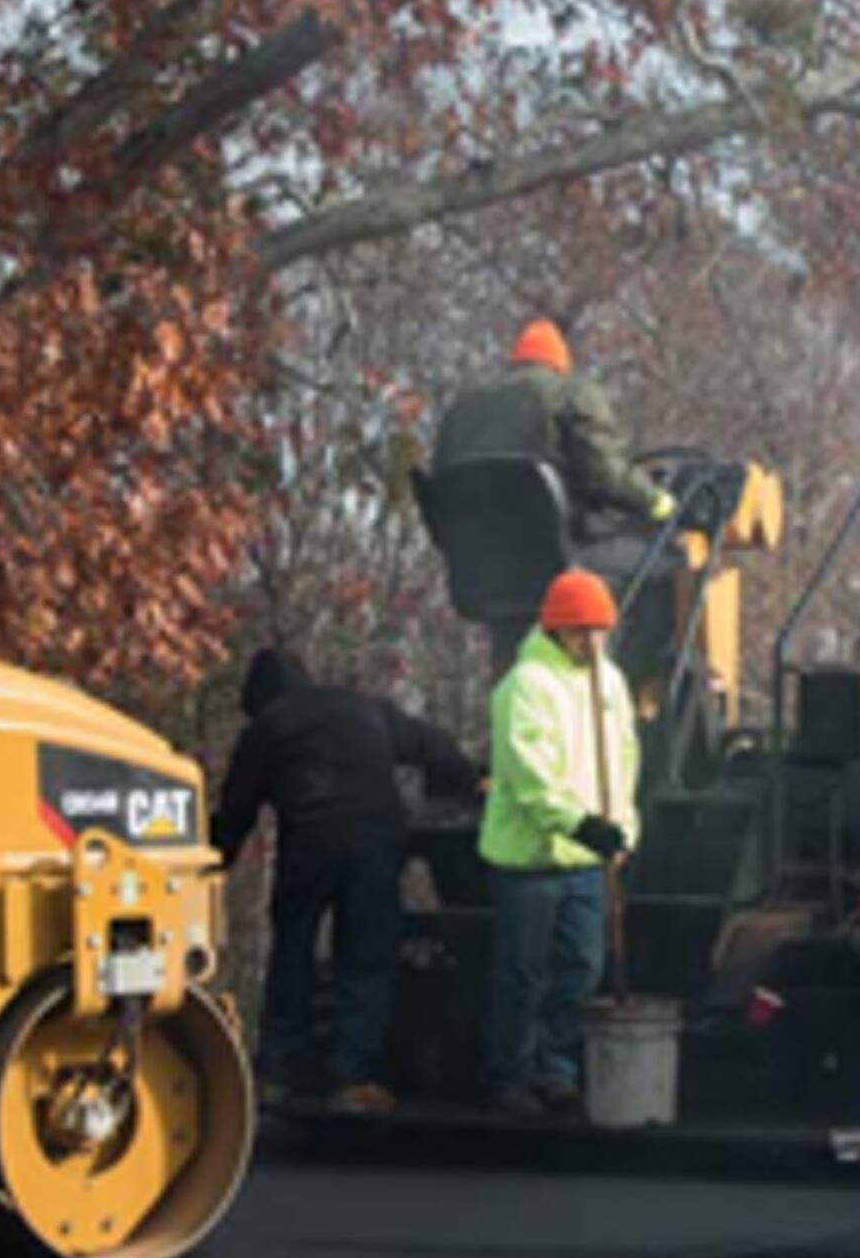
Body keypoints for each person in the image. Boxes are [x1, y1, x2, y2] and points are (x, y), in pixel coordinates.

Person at [212, 644, 478, 1114]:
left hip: (308, 846)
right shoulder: (364, 708)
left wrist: (213, 863)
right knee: (366, 958)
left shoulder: (266, 728)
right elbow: (430, 745)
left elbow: (236, 812)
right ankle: (352, 1078)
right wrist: (469, 780)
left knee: (292, 950)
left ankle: (275, 1072)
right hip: (376, 843)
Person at [478, 569, 641, 1115]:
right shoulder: (524, 687)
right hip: (530, 860)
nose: (593, 643)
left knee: (581, 967)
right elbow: (529, 779)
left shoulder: (610, 684)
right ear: (557, 632)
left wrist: (623, 826)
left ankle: (557, 1068)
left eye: (601, 632)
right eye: (582, 633)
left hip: (587, 861)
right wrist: (582, 824)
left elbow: (623, 761)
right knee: (524, 972)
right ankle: (512, 1075)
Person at [431, 319, 676, 543]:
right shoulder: (570, 396)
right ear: (559, 366)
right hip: (558, 557)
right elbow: (605, 472)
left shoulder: (460, 413)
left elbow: (439, 498)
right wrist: (657, 501)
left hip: (476, 567)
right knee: (666, 562)